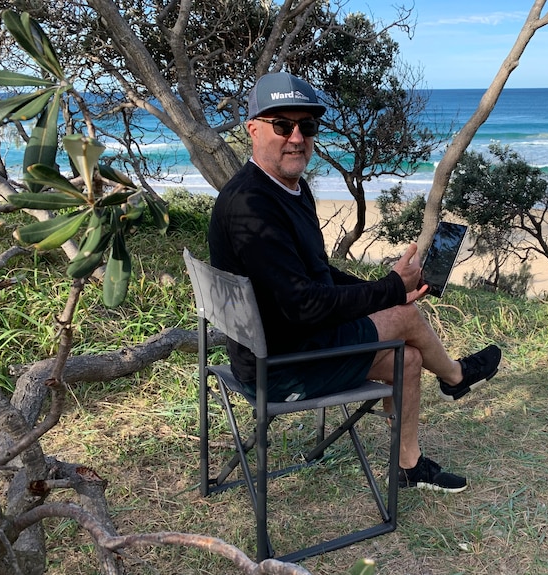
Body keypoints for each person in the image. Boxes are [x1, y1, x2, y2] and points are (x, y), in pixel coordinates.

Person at [208, 72, 502, 493]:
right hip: (278, 368)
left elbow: (319, 274)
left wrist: (386, 286)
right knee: (403, 316)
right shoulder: (251, 206)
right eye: (282, 125)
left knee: (409, 360)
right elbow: (304, 305)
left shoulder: (290, 189)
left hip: (291, 345)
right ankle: (456, 377)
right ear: (253, 130)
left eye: (306, 126)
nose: (296, 137)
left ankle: (408, 465)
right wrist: (391, 292)